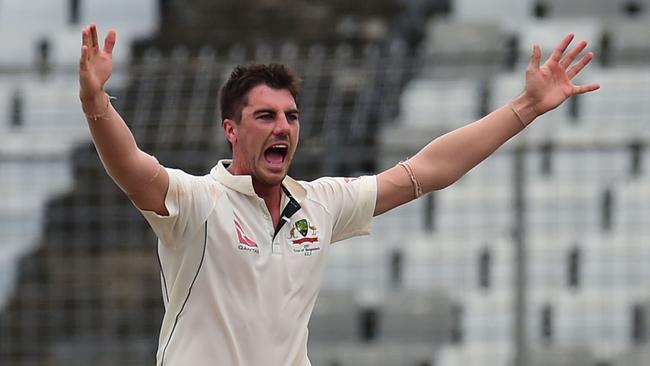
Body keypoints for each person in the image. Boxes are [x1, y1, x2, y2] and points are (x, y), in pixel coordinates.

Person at [78, 23, 599, 366]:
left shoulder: (320, 203)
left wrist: (524, 108)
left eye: (291, 117)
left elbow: (427, 171)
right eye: (265, 116)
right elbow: (131, 167)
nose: (283, 127)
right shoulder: (197, 202)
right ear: (231, 130)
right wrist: (95, 101)